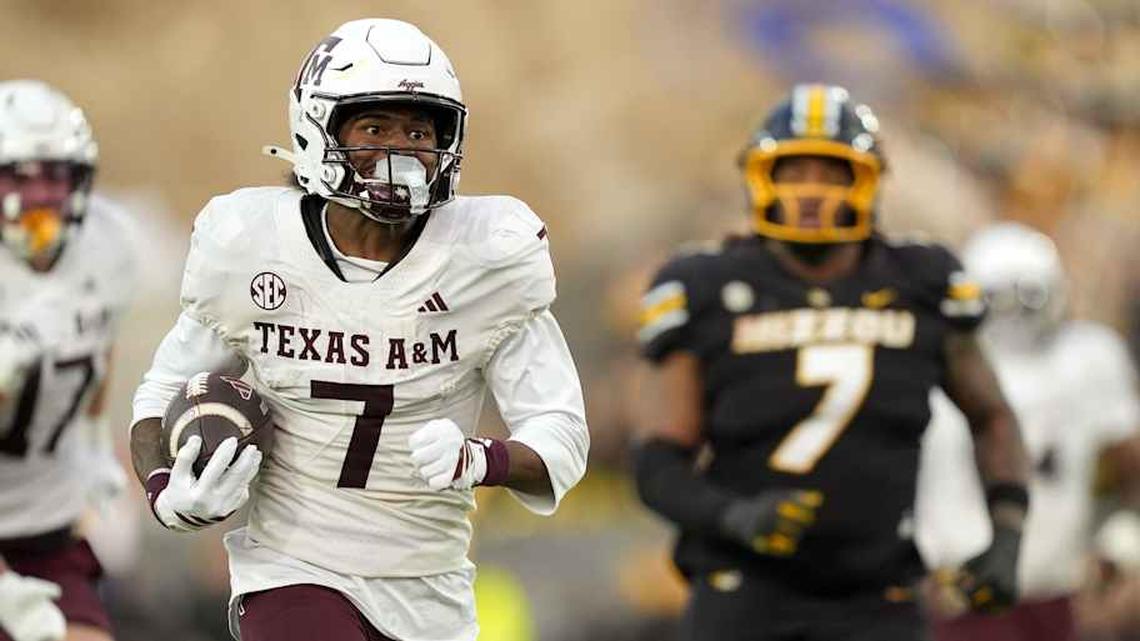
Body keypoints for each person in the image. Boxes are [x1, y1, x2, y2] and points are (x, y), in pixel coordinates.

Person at [127, 18, 589, 641]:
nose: (401, 150)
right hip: (292, 569)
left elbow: (561, 438)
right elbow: (161, 392)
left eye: (419, 131)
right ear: (317, 131)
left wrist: (481, 460)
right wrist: (165, 490)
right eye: (374, 127)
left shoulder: (486, 261)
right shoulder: (253, 248)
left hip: (432, 588)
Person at [632, 83, 1031, 641]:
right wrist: (733, 515)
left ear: (866, 181)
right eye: (795, 172)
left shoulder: (921, 281)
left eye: (831, 172)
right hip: (744, 591)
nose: (811, 192)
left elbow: (992, 416)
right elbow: (656, 462)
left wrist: (1008, 531)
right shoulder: (706, 287)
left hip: (879, 594)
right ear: (760, 177)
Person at [916, 222, 1140, 641]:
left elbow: (1132, 466)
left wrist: (1125, 542)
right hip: (955, 595)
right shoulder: (937, 359)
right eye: (1000, 298)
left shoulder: (1088, 359)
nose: (1014, 314)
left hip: (1057, 594)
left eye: (1027, 297)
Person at [0, 80, 136, 641]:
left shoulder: (105, 246)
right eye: (18, 178)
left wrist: (94, 441)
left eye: (53, 176)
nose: (38, 197)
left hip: (46, 522)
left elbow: (99, 345)